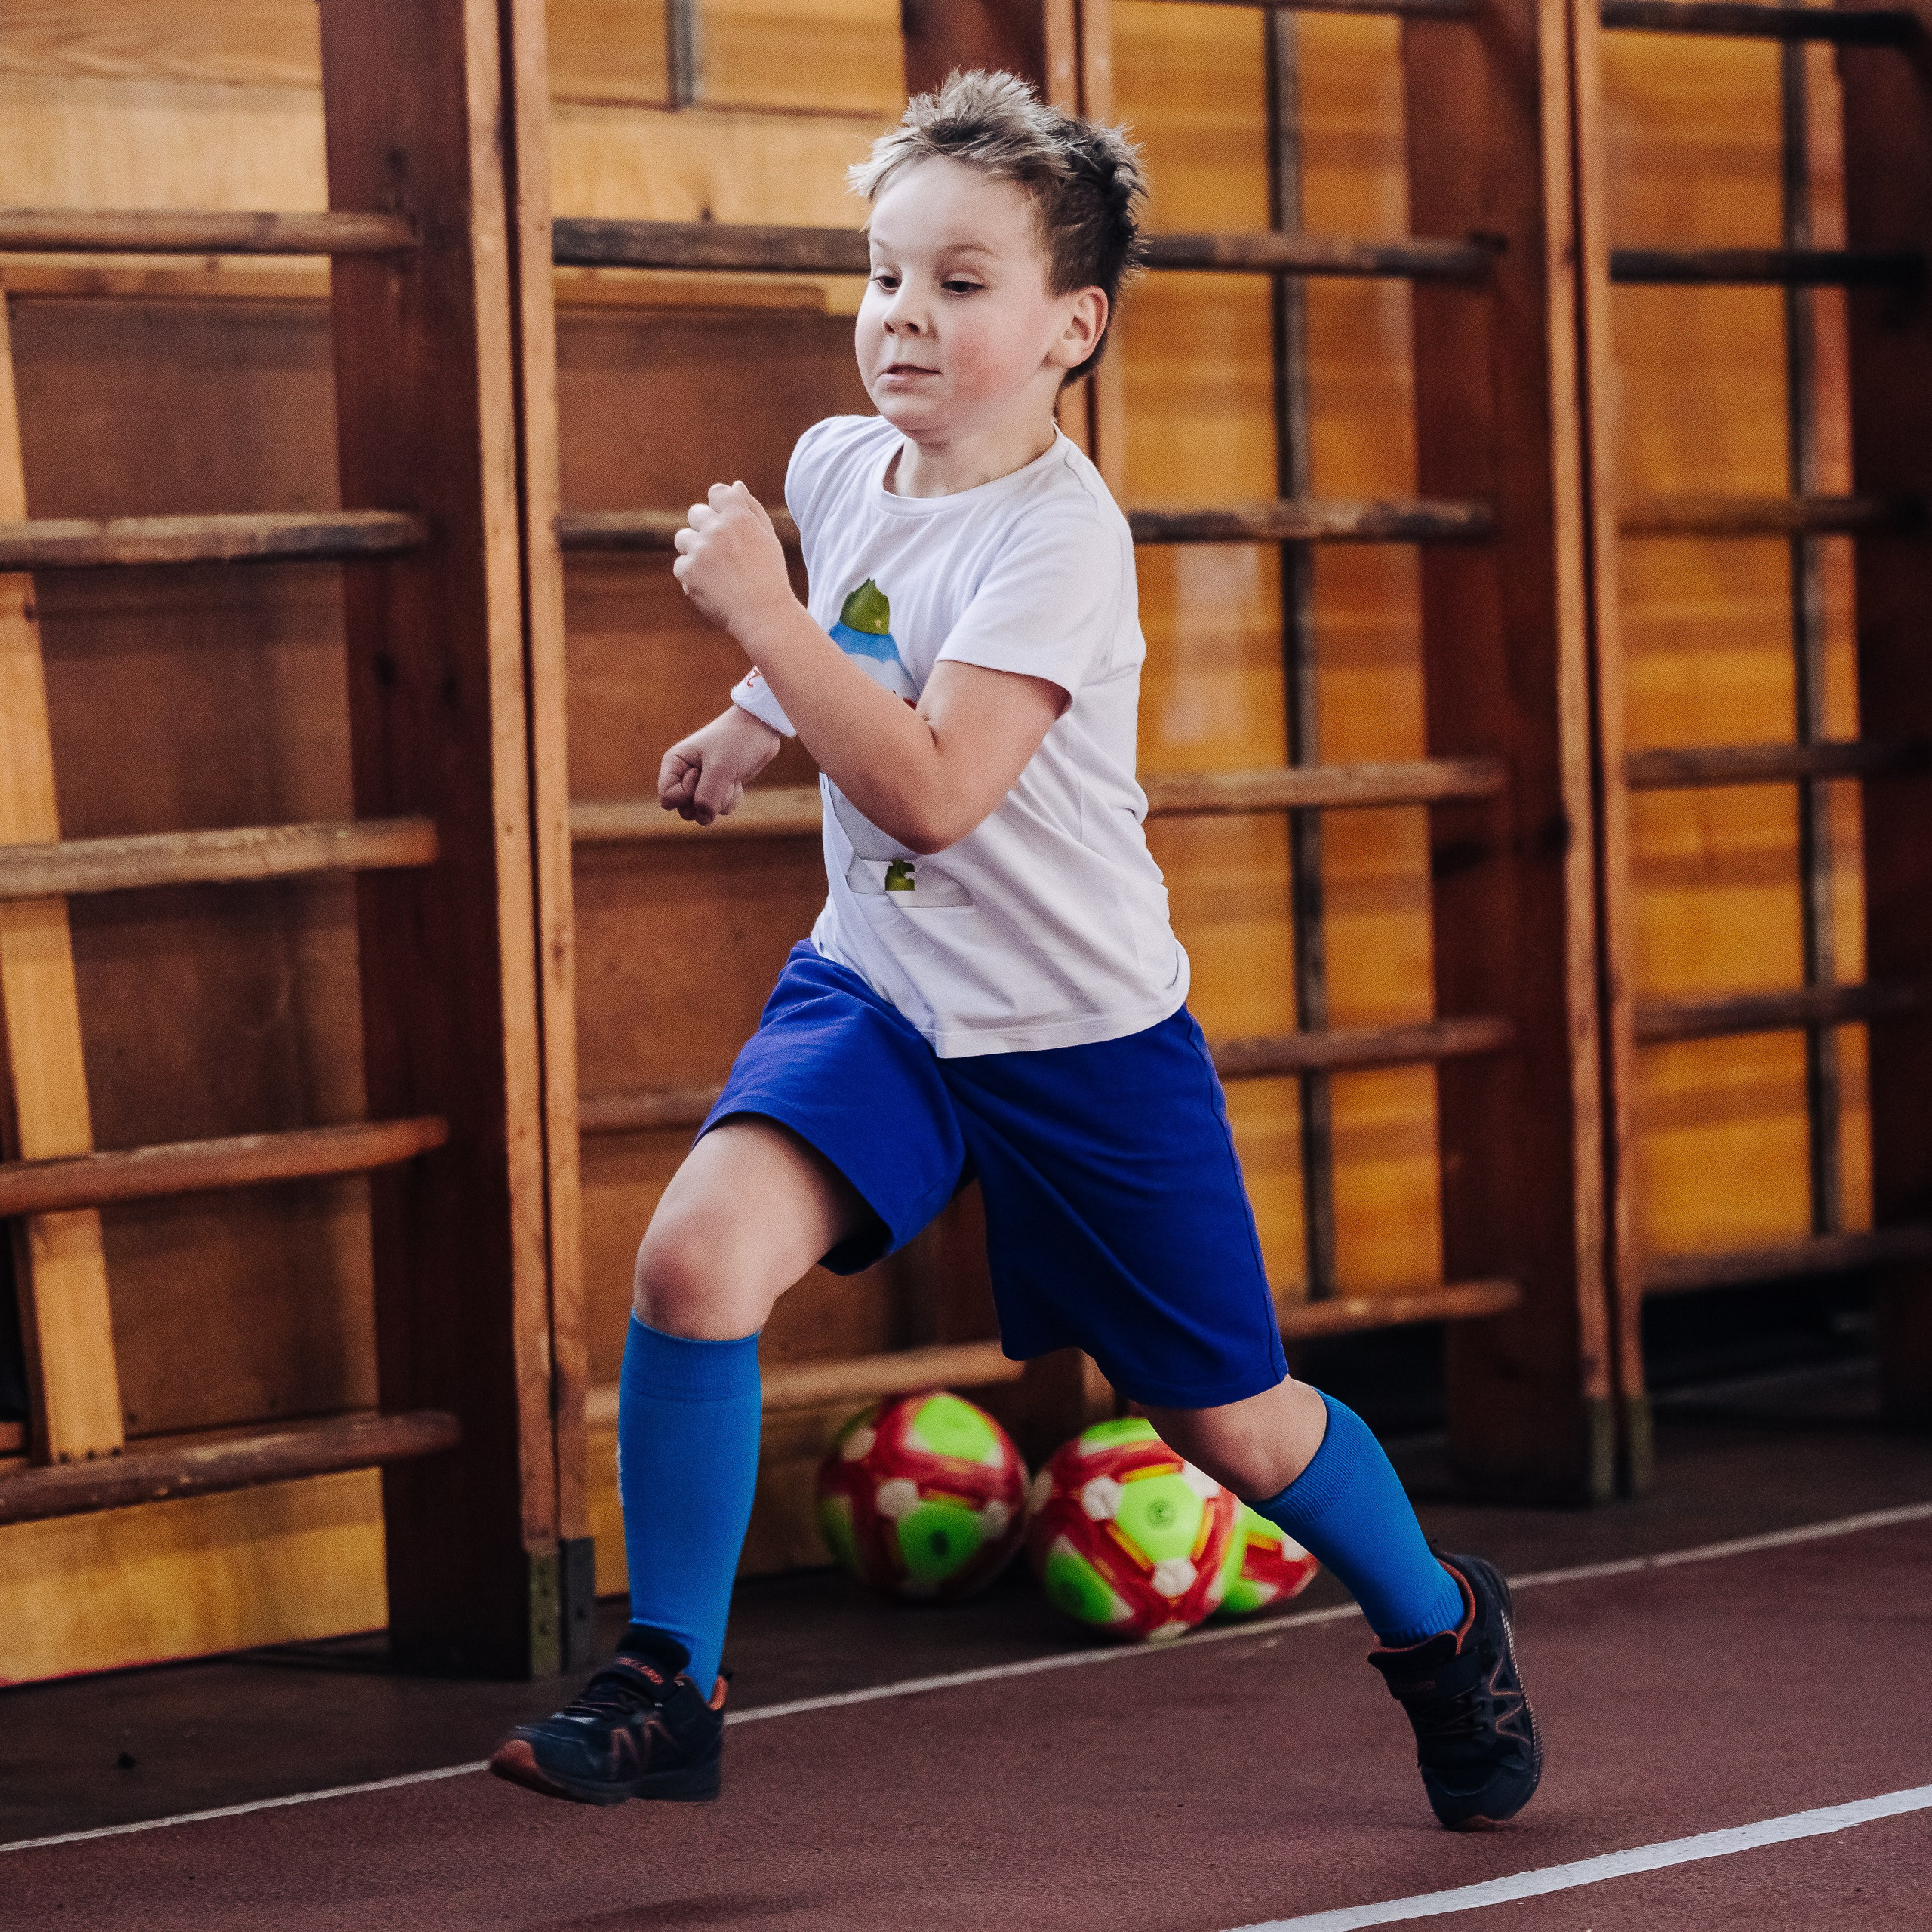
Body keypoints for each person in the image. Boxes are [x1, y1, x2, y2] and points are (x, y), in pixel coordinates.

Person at [490, 69, 1539, 1832]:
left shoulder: (1062, 537)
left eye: (960, 283)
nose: (904, 313)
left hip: (1078, 1035)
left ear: (1073, 327)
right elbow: (862, 635)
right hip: (884, 993)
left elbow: (932, 787)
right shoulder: (839, 460)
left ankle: (1440, 1623)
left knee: (1234, 1428)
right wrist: (755, 708)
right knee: (690, 1266)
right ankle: (669, 1677)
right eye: (885, 273)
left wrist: (756, 616)